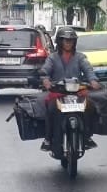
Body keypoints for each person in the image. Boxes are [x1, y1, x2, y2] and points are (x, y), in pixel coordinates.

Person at [40, 25, 100, 154]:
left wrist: (93, 81)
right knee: (51, 109)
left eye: (71, 40)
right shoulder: (52, 57)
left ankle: (87, 137)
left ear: (75, 42)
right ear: (60, 42)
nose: (68, 43)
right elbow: (45, 71)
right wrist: (46, 80)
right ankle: (48, 139)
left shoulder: (80, 57)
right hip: (57, 93)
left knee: (90, 107)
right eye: (65, 40)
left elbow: (88, 70)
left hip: (77, 92)